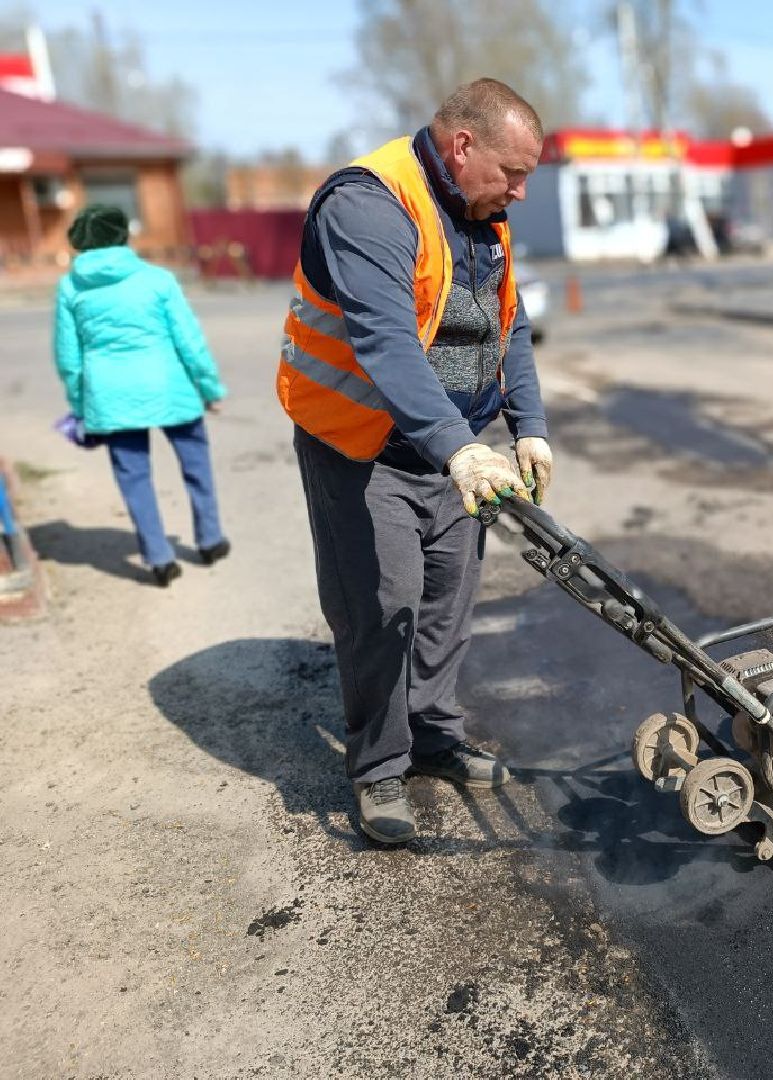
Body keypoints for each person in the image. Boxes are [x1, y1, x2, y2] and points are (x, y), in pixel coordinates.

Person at [279, 78, 553, 845]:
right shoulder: (368, 208)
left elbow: (510, 323)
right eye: (513, 173)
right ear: (463, 147)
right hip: (362, 448)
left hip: (447, 448)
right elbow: (386, 343)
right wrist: (461, 448)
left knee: (446, 605)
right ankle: (377, 768)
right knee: (381, 608)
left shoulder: (480, 207)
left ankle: (432, 736)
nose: (521, 193)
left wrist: (526, 425)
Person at [52, 205, 230, 587]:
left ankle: (158, 559)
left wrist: (82, 406)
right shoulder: (157, 279)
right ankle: (210, 540)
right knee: (196, 465)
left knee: (133, 477)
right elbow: (190, 341)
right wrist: (209, 388)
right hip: (170, 386)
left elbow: (69, 358)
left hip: (110, 396)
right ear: (123, 236)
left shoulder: (70, 287)